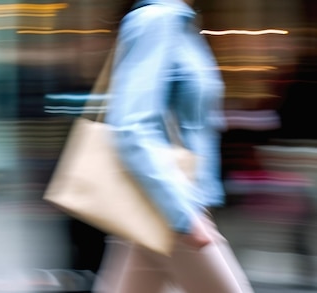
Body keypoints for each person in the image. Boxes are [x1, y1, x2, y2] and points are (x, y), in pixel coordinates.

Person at [93, 0, 255, 292]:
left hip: (169, 203)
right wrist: (183, 215)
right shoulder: (156, 20)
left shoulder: (182, 24)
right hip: (169, 207)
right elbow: (132, 127)